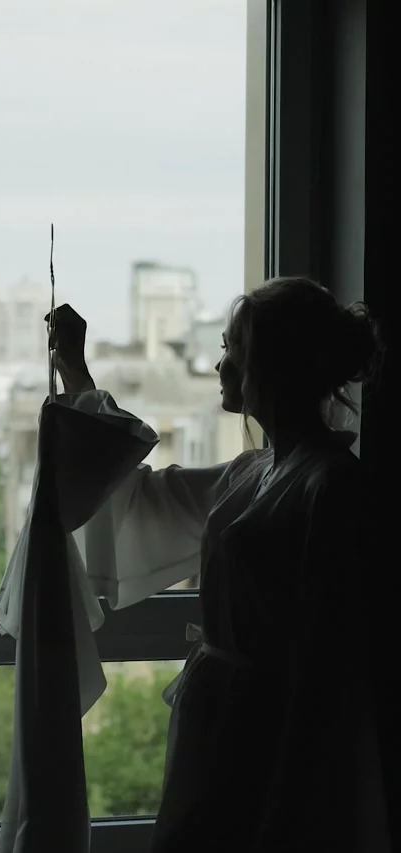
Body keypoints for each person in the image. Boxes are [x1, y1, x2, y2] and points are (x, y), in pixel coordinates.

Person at [50, 277, 388, 852]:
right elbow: (137, 498)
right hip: (223, 716)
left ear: (270, 362)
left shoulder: (331, 486)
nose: (218, 364)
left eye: (231, 348)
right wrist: (76, 376)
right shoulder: (252, 473)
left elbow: (329, 661)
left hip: (269, 727)